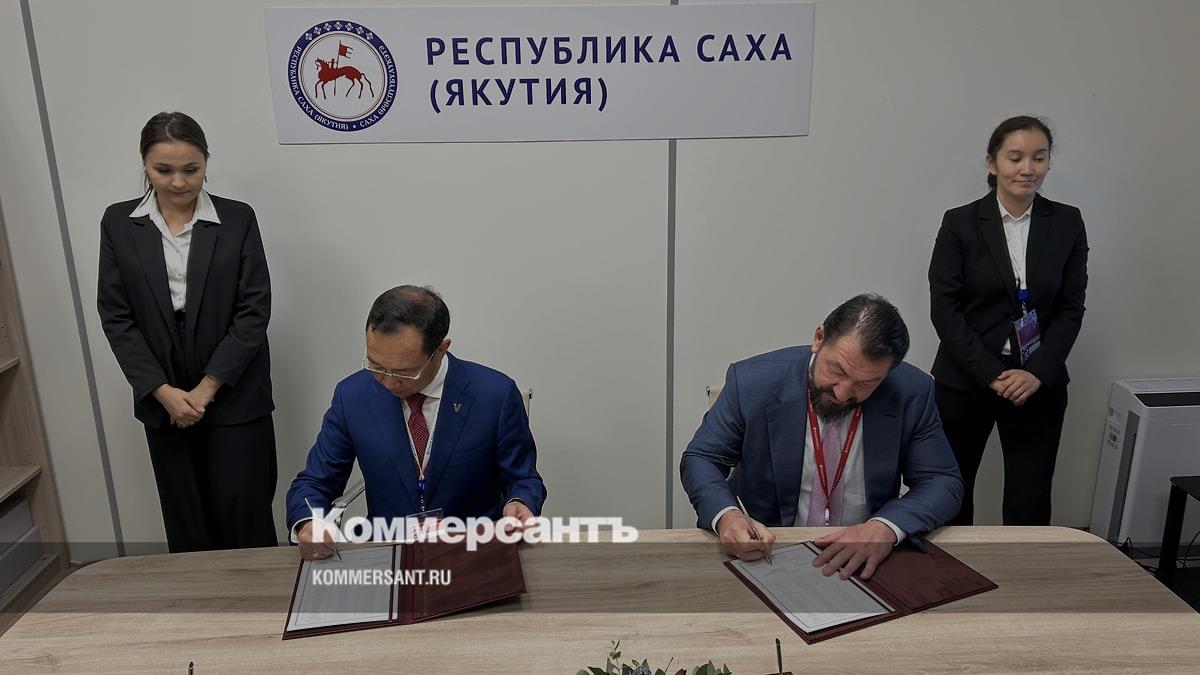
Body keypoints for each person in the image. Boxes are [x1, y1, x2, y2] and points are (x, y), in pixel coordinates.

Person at [680, 293, 962, 580]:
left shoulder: (912, 393)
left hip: (863, 559)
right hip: (767, 553)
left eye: (866, 383)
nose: (842, 393)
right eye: (837, 370)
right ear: (819, 338)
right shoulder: (753, 382)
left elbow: (942, 481)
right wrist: (727, 515)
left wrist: (885, 528)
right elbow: (702, 458)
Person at [97, 111, 278, 552]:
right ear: (145, 165)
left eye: (191, 169)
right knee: (187, 520)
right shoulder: (119, 222)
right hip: (164, 391)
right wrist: (162, 391)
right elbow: (116, 315)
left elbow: (253, 310)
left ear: (206, 163)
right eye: (164, 170)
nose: (178, 182)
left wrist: (206, 389)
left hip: (234, 386)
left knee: (245, 513)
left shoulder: (237, 218)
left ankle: (260, 596)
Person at [286, 285, 547, 559]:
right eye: (376, 366)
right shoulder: (352, 396)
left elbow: (523, 478)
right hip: (388, 553)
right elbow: (314, 482)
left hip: (474, 554)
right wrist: (309, 521)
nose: (388, 382)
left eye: (404, 372)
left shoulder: (494, 395)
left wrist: (520, 502)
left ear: (441, 349)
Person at [928, 116, 1088, 526]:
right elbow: (944, 309)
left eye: (1039, 157)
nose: (1027, 168)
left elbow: (1071, 308)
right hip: (966, 379)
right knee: (951, 490)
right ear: (992, 162)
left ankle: (1024, 566)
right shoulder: (960, 223)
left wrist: (1037, 372)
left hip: (1038, 379)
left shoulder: (1067, 222)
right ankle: (954, 566)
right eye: (1015, 157)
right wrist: (991, 375)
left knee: (1029, 496)